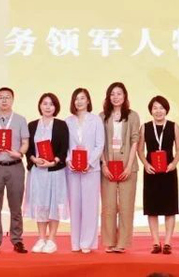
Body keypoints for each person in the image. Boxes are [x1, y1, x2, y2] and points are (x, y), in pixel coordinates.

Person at [0, 86, 30, 254]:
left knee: (16, 206)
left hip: (15, 166)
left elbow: (25, 142)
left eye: (7, 97)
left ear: (12, 100)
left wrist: (20, 153)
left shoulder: (20, 120)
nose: (4, 100)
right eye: (1, 97)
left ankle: (17, 240)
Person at [25, 92, 69, 254]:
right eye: (45, 103)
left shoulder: (61, 125)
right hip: (38, 172)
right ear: (40, 106)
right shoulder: (32, 125)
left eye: (51, 104)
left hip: (55, 171)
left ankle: (51, 239)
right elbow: (28, 149)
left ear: (55, 107)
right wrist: (33, 159)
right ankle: (41, 238)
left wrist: (54, 161)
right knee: (40, 204)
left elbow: (64, 148)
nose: (48, 107)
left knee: (54, 204)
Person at [100, 82, 141, 253]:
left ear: (125, 96)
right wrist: (103, 164)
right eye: (112, 94)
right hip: (108, 163)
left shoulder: (133, 116)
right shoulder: (102, 116)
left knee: (126, 206)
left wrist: (129, 166)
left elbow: (135, 141)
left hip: (127, 164)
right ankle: (109, 241)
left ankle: (122, 243)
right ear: (108, 97)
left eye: (119, 93)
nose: (116, 97)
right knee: (108, 207)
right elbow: (99, 143)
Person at [140, 95, 179, 255]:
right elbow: (139, 150)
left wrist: (174, 164)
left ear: (166, 110)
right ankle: (156, 242)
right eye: (155, 108)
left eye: (161, 108)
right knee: (152, 208)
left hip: (168, 171)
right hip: (151, 171)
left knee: (169, 208)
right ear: (151, 111)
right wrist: (146, 164)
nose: (158, 111)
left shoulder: (173, 126)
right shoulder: (145, 127)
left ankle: (168, 242)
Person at [65, 87, 104, 254]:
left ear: (88, 100)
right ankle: (75, 242)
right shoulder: (68, 121)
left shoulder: (96, 120)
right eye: (76, 98)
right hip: (72, 169)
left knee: (90, 205)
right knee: (74, 205)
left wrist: (89, 162)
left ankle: (87, 242)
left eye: (82, 98)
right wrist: (68, 160)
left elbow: (99, 145)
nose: (79, 101)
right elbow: (65, 145)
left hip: (90, 169)